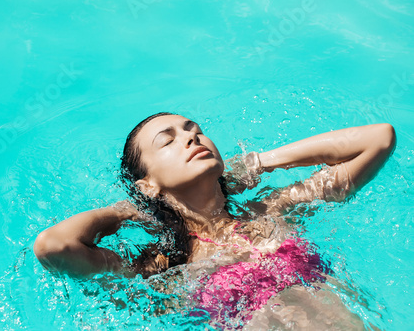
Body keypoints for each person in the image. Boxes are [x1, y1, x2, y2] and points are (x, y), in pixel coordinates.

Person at [33, 112, 396, 327]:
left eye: (195, 130)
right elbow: (53, 247)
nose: (192, 138)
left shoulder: (272, 208)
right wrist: (132, 208)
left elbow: (377, 139)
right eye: (168, 140)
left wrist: (259, 162)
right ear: (147, 183)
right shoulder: (161, 266)